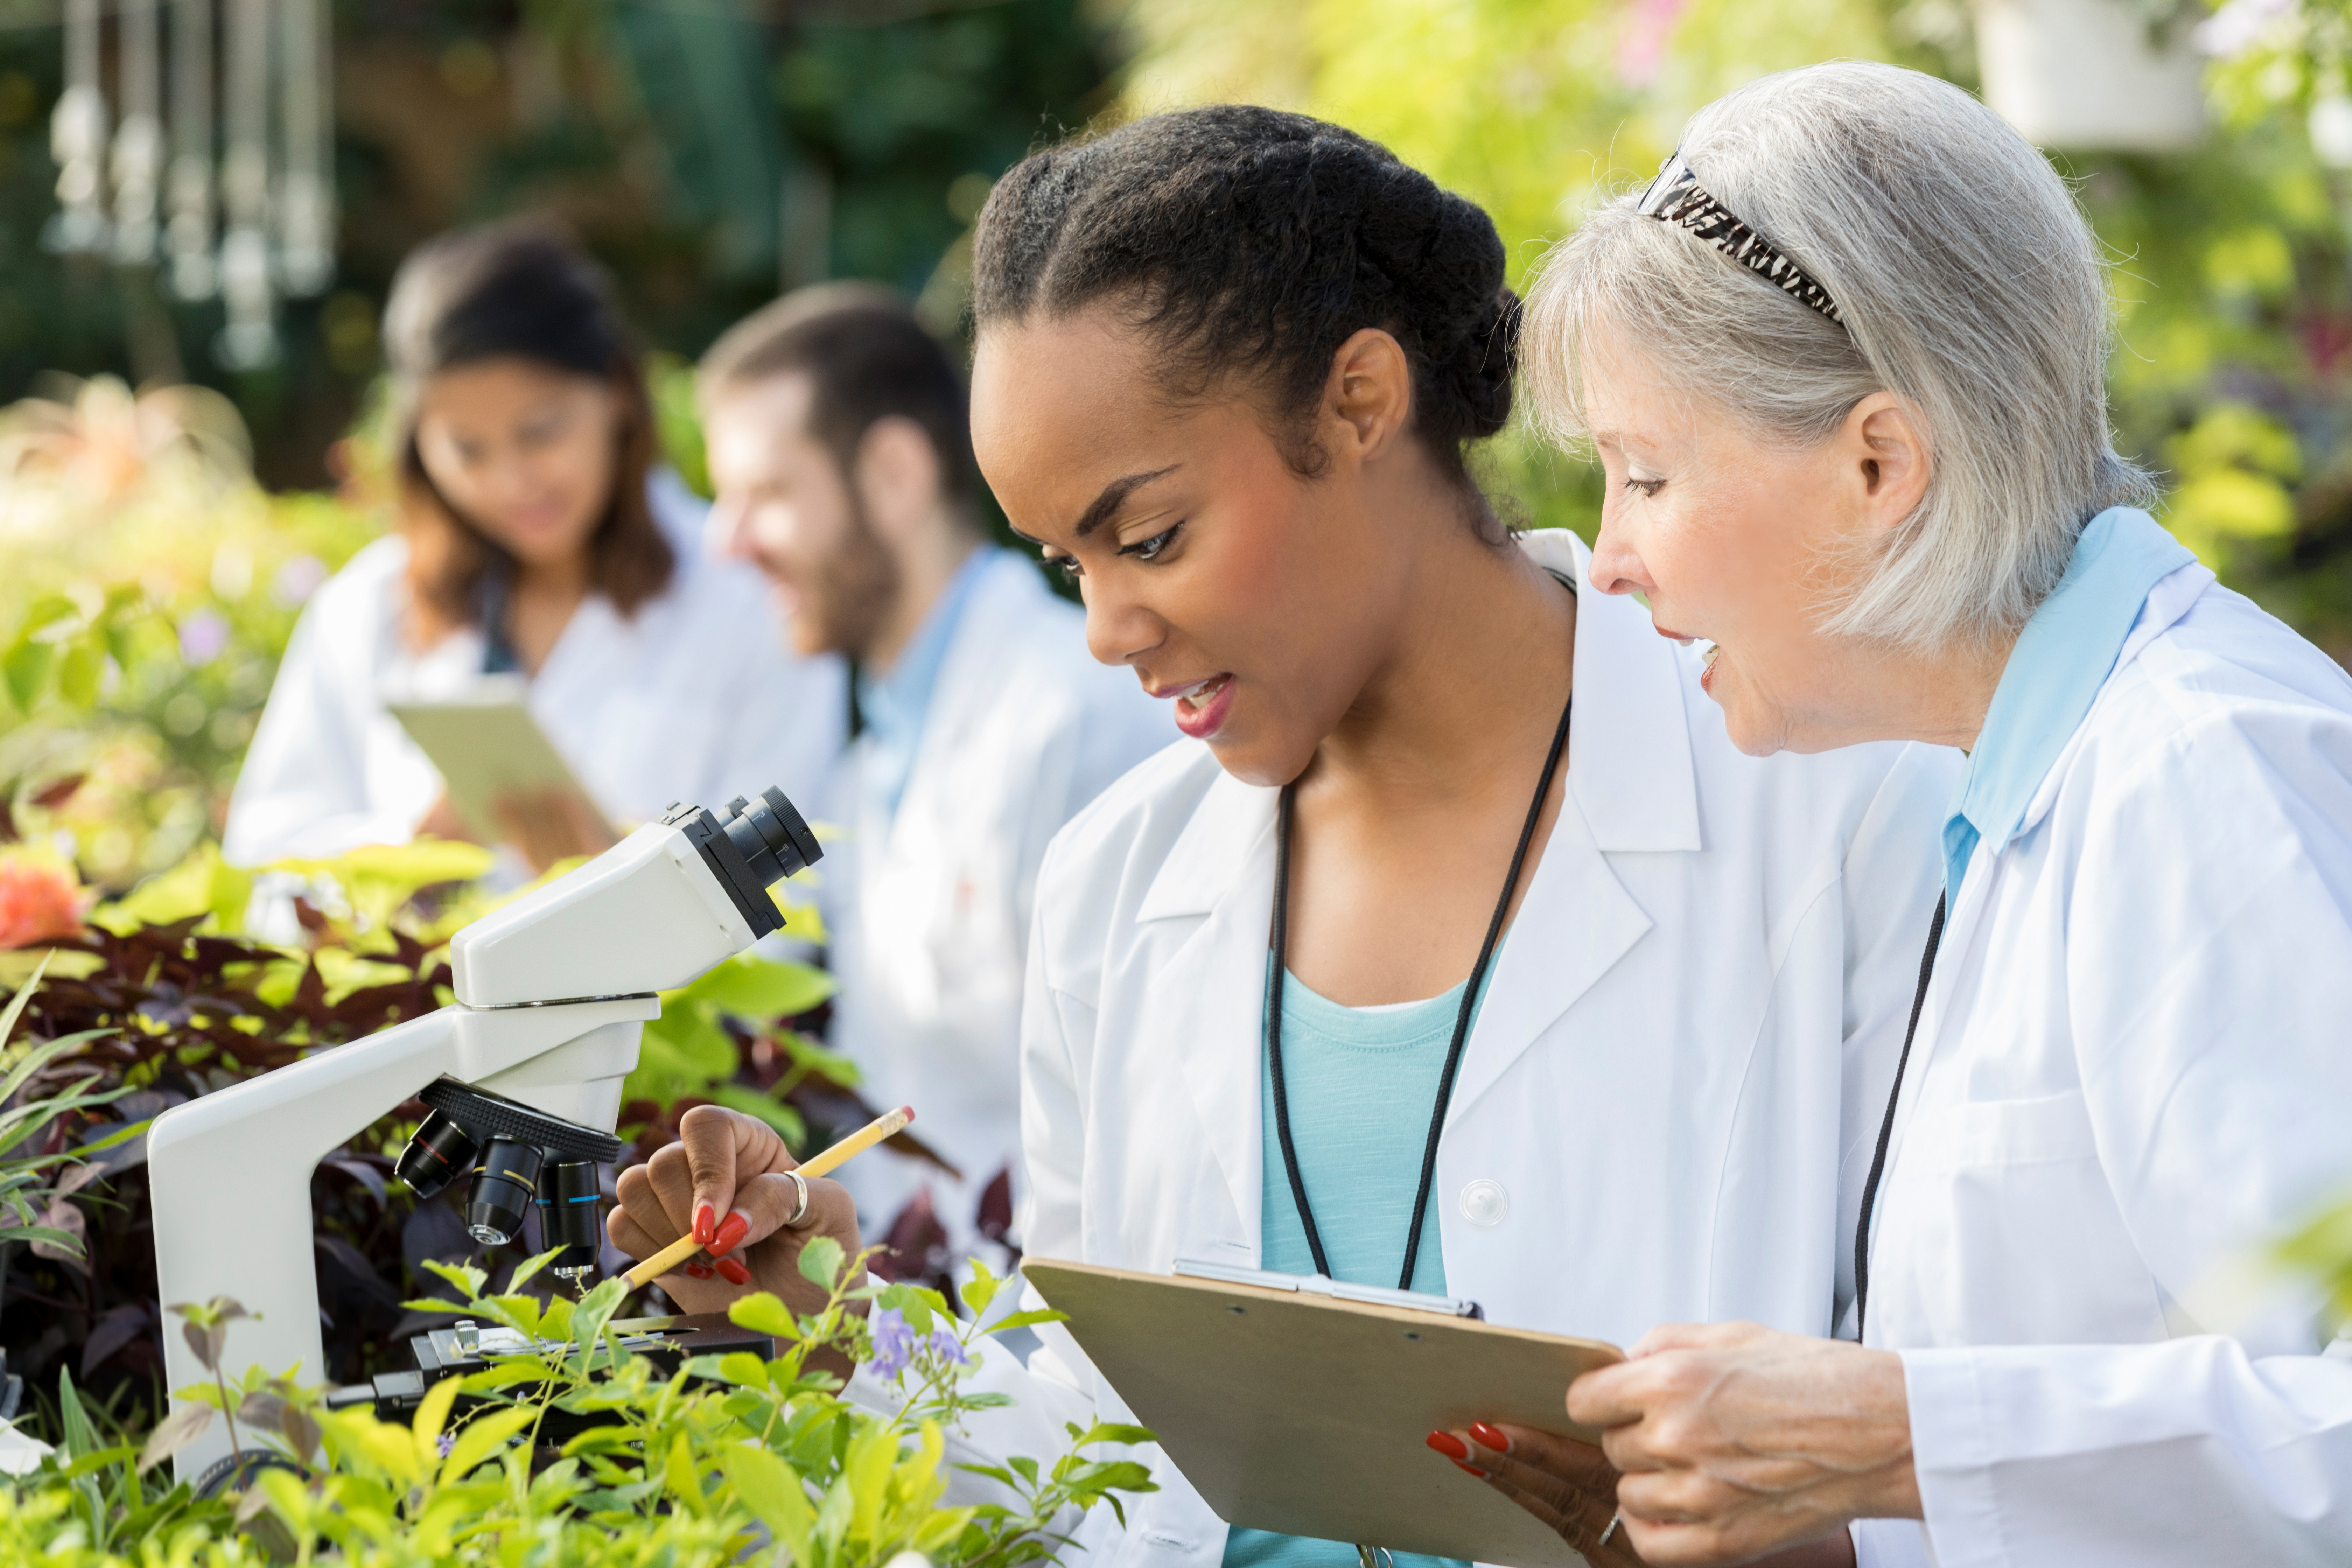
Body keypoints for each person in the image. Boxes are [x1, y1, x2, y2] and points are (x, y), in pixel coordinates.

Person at [615, 107, 1958, 1568]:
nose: (1109, 631)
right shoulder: (1118, 882)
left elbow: (1998, 1439)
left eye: (1150, 537)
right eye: (1066, 563)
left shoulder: (1835, 807)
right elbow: (1106, 1453)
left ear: (1360, 403)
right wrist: (833, 1313)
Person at [1503, 59, 2352, 1568]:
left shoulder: (2206, 772)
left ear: (1881, 463)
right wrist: (1797, 1528)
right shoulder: (2013, 792)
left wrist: (1886, 1435)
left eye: (1644, 475)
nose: (1610, 559)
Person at [697, 285, 1167, 1260]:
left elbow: (1153, 1124)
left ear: (895, 473)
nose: (725, 544)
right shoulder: (871, 758)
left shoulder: (1077, 717)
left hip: (1073, 1366)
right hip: (937, 1343)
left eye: (767, 496)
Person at [224, 220, 844, 874]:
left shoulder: (751, 596)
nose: (512, 483)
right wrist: (407, 854)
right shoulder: (368, 606)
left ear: (618, 396)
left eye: (541, 433)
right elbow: (264, 861)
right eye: (467, 449)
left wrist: (627, 888)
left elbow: (800, 893)